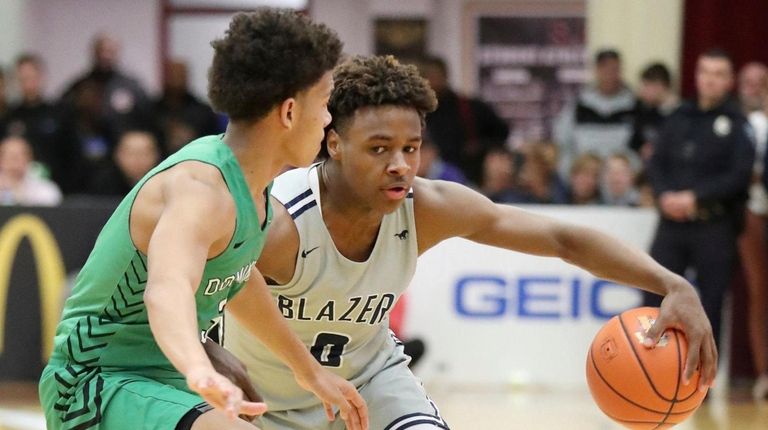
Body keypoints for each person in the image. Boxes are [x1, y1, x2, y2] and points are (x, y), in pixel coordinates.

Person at [219, 55, 717, 430]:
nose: (400, 165)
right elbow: (194, 291)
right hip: (264, 401)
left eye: (410, 148)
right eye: (379, 149)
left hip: (368, 381)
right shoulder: (281, 221)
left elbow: (564, 239)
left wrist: (673, 285)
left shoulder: (428, 206)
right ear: (334, 144)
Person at [38, 9, 368, 430]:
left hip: (161, 379)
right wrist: (199, 369)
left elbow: (238, 277)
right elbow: (166, 288)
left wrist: (309, 371)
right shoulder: (201, 189)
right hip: (94, 382)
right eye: (324, 104)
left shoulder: (252, 185)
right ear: (288, 112)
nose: (327, 120)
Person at [644, 49, 755, 354]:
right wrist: (665, 196)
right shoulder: (678, 116)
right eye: (705, 72)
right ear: (696, 75)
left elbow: (739, 174)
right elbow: (656, 163)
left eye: (718, 74)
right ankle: (649, 363)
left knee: (711, 301)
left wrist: (696, 197)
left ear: (729, 80)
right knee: (654, 291)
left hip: (714, 225)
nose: (710, 80)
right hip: (671, 223)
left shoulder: (737, 123)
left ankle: (701, 382)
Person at [419, 55, 509, 185]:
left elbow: (502, 132)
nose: (431, 81)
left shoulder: (470, 107)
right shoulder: (418, 110)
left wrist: (480, 147)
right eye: (426, 76)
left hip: (469, 177)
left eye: (434, 76)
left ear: (445, 76)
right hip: (428, 178)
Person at [554, 49, 637, 180]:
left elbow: (638, 149)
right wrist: (571, 175)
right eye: (606, 70)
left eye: (615, 70)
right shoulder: (579, 104)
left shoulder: (634, 105)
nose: (611, 75)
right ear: (597, 70)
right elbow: (563, 142)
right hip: (585, 176)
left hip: (619, 178)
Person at [89, 130, 161, 196]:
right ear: (117, 155)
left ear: (157, 155)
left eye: (144, 153)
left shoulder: (164, 182)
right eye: (131, 153)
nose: (137, 158)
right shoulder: (102, 184)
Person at [0, 135, 62, 206]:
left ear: (29, 158)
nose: (15, 161)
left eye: (20, 156)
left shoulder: (45, 188)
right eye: (11, 156)